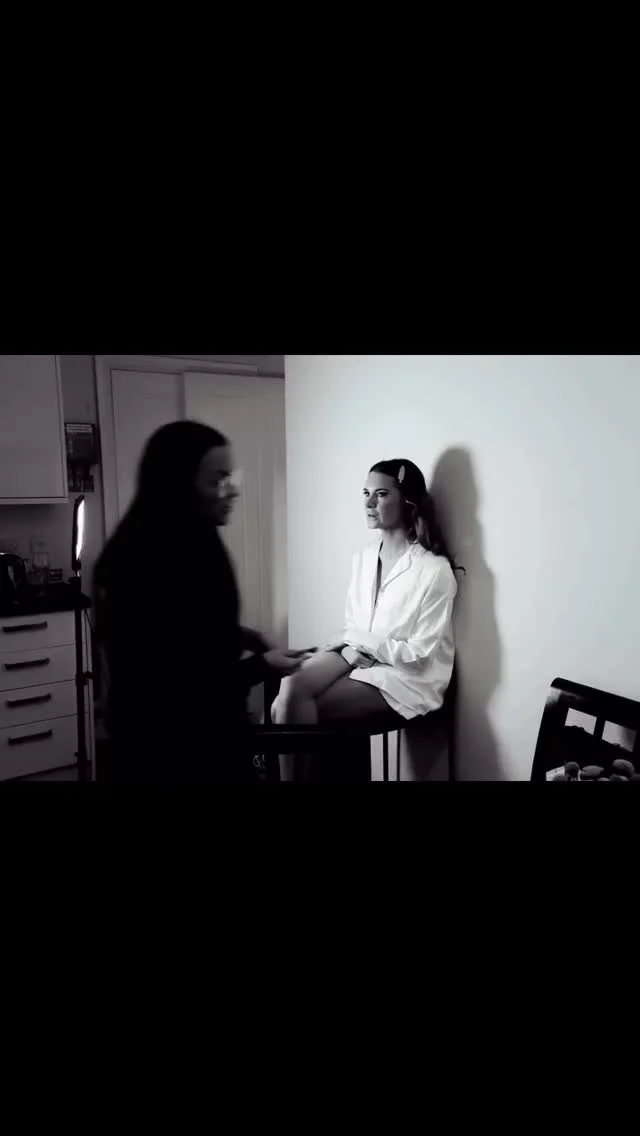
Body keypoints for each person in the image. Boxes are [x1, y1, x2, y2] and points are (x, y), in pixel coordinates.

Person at [94, 421, 304, 783]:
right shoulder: (143, 555)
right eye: (217, 480)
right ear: (177, 484)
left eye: (230, 477)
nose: (232, 490)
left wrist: (246, 637)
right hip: (174, 751)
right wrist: (262, 666)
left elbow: (185, 626)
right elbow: (176, 684)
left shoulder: (194, 536)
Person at [271, 459, 459, 780]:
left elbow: (419, 656)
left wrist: (357, 642)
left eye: (381, 494)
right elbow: (353, 623)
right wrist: (349, 647)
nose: (369, 503)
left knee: (288, 709)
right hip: (357, 654)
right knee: (289, 687)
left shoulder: (433, 570)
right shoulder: (363, 558)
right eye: (366, 493)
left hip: (406, 677)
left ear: (407, 501)